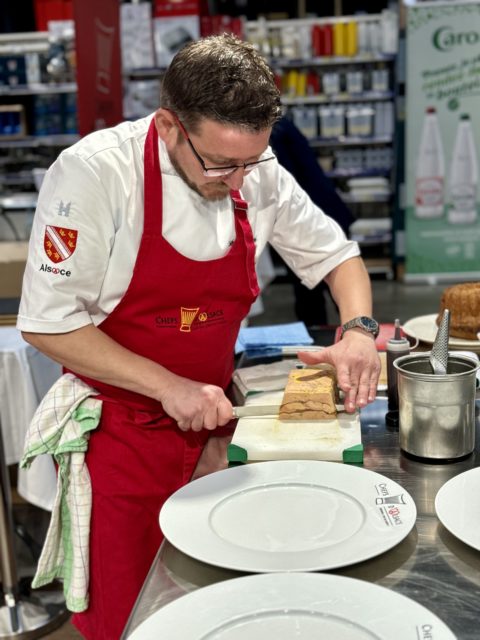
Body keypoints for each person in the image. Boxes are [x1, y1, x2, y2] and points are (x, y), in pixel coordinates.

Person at [18, 34, 380, 639]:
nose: (237, 181)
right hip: (119, 436)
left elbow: (337, 257)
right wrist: (167, 386)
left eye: (250, 162)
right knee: (131, 612)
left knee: (217, 603)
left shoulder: (256, 170)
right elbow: (48, 322)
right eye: (218, 164)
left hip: (216, 424)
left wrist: (360, 333)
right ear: (169, 126)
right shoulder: (95, 174)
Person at [270, 115, 356, 326]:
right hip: (321, 210)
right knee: (328, 289)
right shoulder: (280, 126)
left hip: (312, 215)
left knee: (314, 292)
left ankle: (324, 334)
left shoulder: (274, 133)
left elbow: (283, 182)